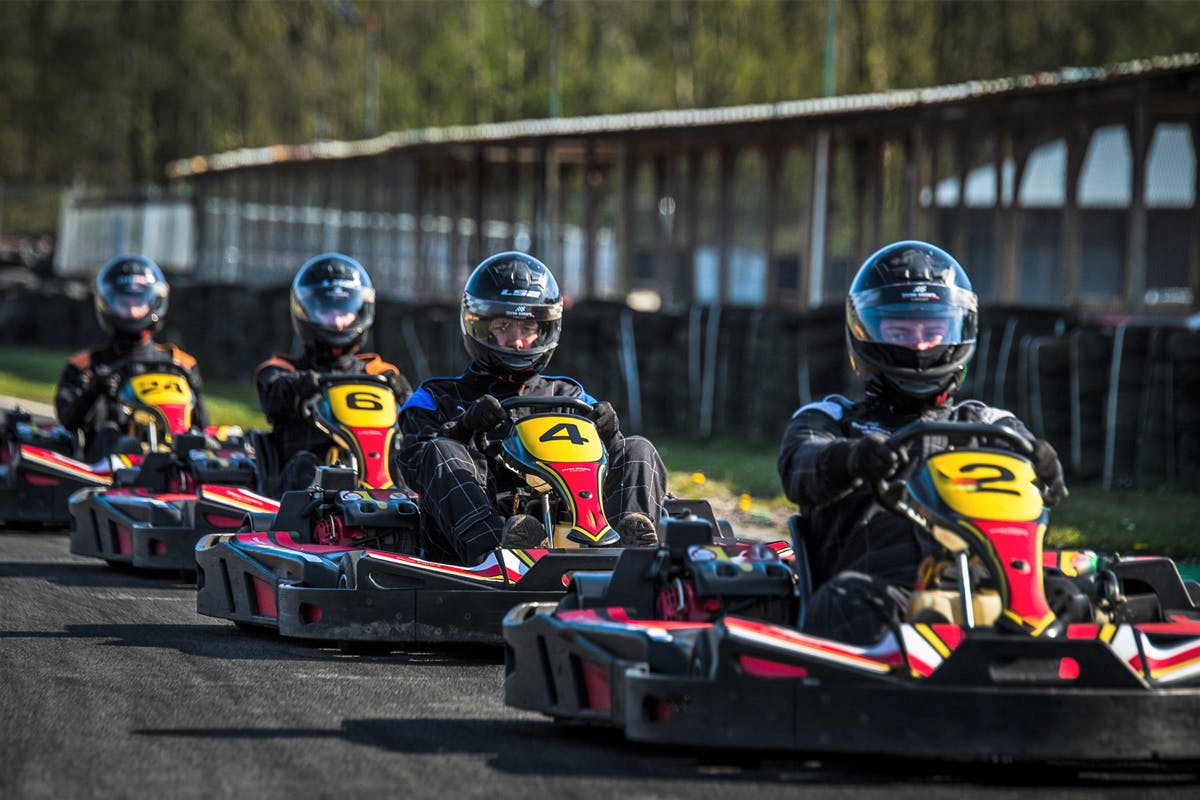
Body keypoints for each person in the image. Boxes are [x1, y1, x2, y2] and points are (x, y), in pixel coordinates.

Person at [777, 240, 1067, 644]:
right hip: (883, 589)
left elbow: (1037, 484)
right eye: (900, 331)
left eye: (933, 330)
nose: (919, 345)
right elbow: (800, 466)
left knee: (1073, 595)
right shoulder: (834, 421)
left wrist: (1044, 468)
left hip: (992, 585)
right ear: (864, 333)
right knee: (842, 604)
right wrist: (853, 459)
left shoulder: (990, 426)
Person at [397, 251, 666, 565]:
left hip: (569, 527)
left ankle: (631, 555)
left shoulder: (570, 397)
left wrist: (610, 434)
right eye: (504, 326)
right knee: (441, 450)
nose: (518, 342)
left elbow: (614, 465)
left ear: (544, 330)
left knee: (637, 448)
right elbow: (413, 467)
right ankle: (498, 553)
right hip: (471, 545)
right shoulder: (436, 396)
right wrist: (463, 428)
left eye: (527, 329)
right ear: (479, 325)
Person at [255, 253, 412, 494]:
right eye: (327, 310)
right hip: (302, 488)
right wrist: (303, 387)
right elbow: (273, 395)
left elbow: (415, 416)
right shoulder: (282, 370)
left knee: (403, 458)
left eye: (344, 310)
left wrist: (403, 393)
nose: (338, 322)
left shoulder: (380, 373)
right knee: (305, 465)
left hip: (376, 476)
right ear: (305, 310)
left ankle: (405, 503)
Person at [55, 254, 208, 462]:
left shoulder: (181, 364)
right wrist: (94, 391)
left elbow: (201, 425)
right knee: (111, 432)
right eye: (124, 302)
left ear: (154, 302)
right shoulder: (86, 366)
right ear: (107, 302)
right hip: (109, 464)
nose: (132, 310)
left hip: (173, 458)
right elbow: (67, 420)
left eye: (138, 301)